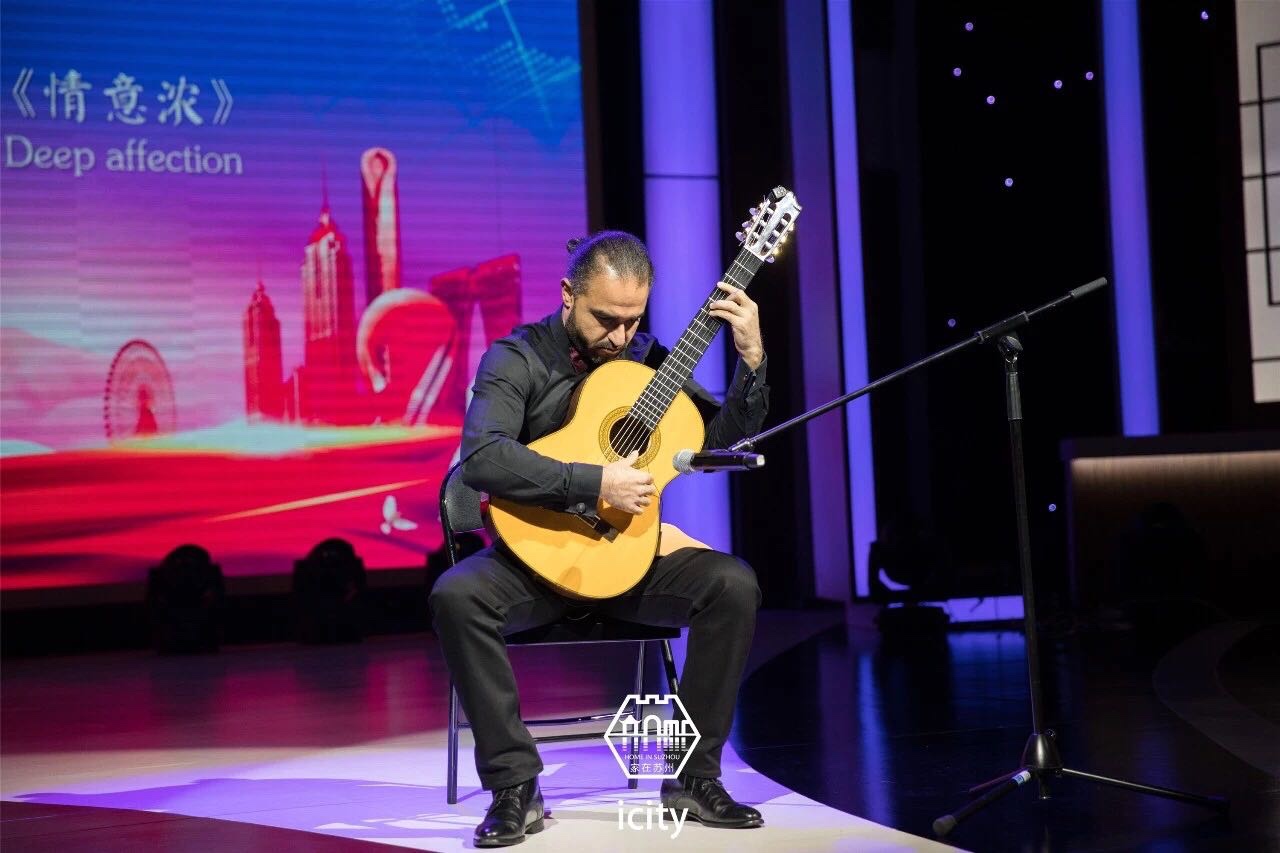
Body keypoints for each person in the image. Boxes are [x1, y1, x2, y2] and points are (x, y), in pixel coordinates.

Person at [430, 231, 769, 847]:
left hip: (626, 562)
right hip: (535, 563)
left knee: (733, 583)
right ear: (568, 294)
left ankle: (694, 778)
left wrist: (751, 364)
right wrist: (594, 481)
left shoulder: (647, 361)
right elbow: (481, 457)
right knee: (456, 596)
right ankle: (515, 786)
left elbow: (715, 444)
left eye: (632, 320)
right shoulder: (516, 358)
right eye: (606, 319)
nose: (619, 336)